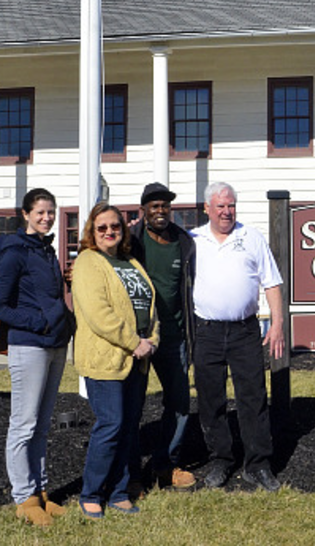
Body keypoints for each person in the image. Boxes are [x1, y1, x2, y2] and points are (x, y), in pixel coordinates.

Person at [190, 182, 285, 492]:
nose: (226, 211)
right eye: (220, 206)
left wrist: (278, 324)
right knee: (210, 399)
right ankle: (221, 460)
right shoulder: (194, 240)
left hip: (246, 330)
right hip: (207, 332)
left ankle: (257, 465)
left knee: (253, 397)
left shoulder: (251, 237)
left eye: (231, 205)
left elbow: (271, 283)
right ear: (207, 209)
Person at [0, 187, 74, 526]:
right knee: (23, 424)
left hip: (54, 344)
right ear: (25, 214)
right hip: (29, 344)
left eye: (50, 211)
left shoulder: (46, 250)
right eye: (39, 212)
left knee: (41, 424)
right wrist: (38, 322)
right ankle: (24, 497)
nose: (46, 217)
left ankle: (41, 492)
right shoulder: (15, 252)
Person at [72, 203, 160, 518]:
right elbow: (99, 315)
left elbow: (149, 306)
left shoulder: (130, 261)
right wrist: (133, 342)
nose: (110, 232)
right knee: (111, 424)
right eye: (102, 228)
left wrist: (152, 340)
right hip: (106, 357)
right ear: (92, 233)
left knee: (129, 427)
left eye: (115, 227)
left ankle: (120, 492)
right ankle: (91, 493)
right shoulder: (87, 262)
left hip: (137, 357)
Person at [128, 182, 197, 490]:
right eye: (153, 206)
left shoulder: (184, 242)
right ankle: (129, 472)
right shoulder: (130, 240)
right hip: (138, 339)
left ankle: (165, 464)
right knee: (131, 406)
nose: (160, 211)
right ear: (143, 210)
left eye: (165, 206)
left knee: (180, 403)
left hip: (174, 337)